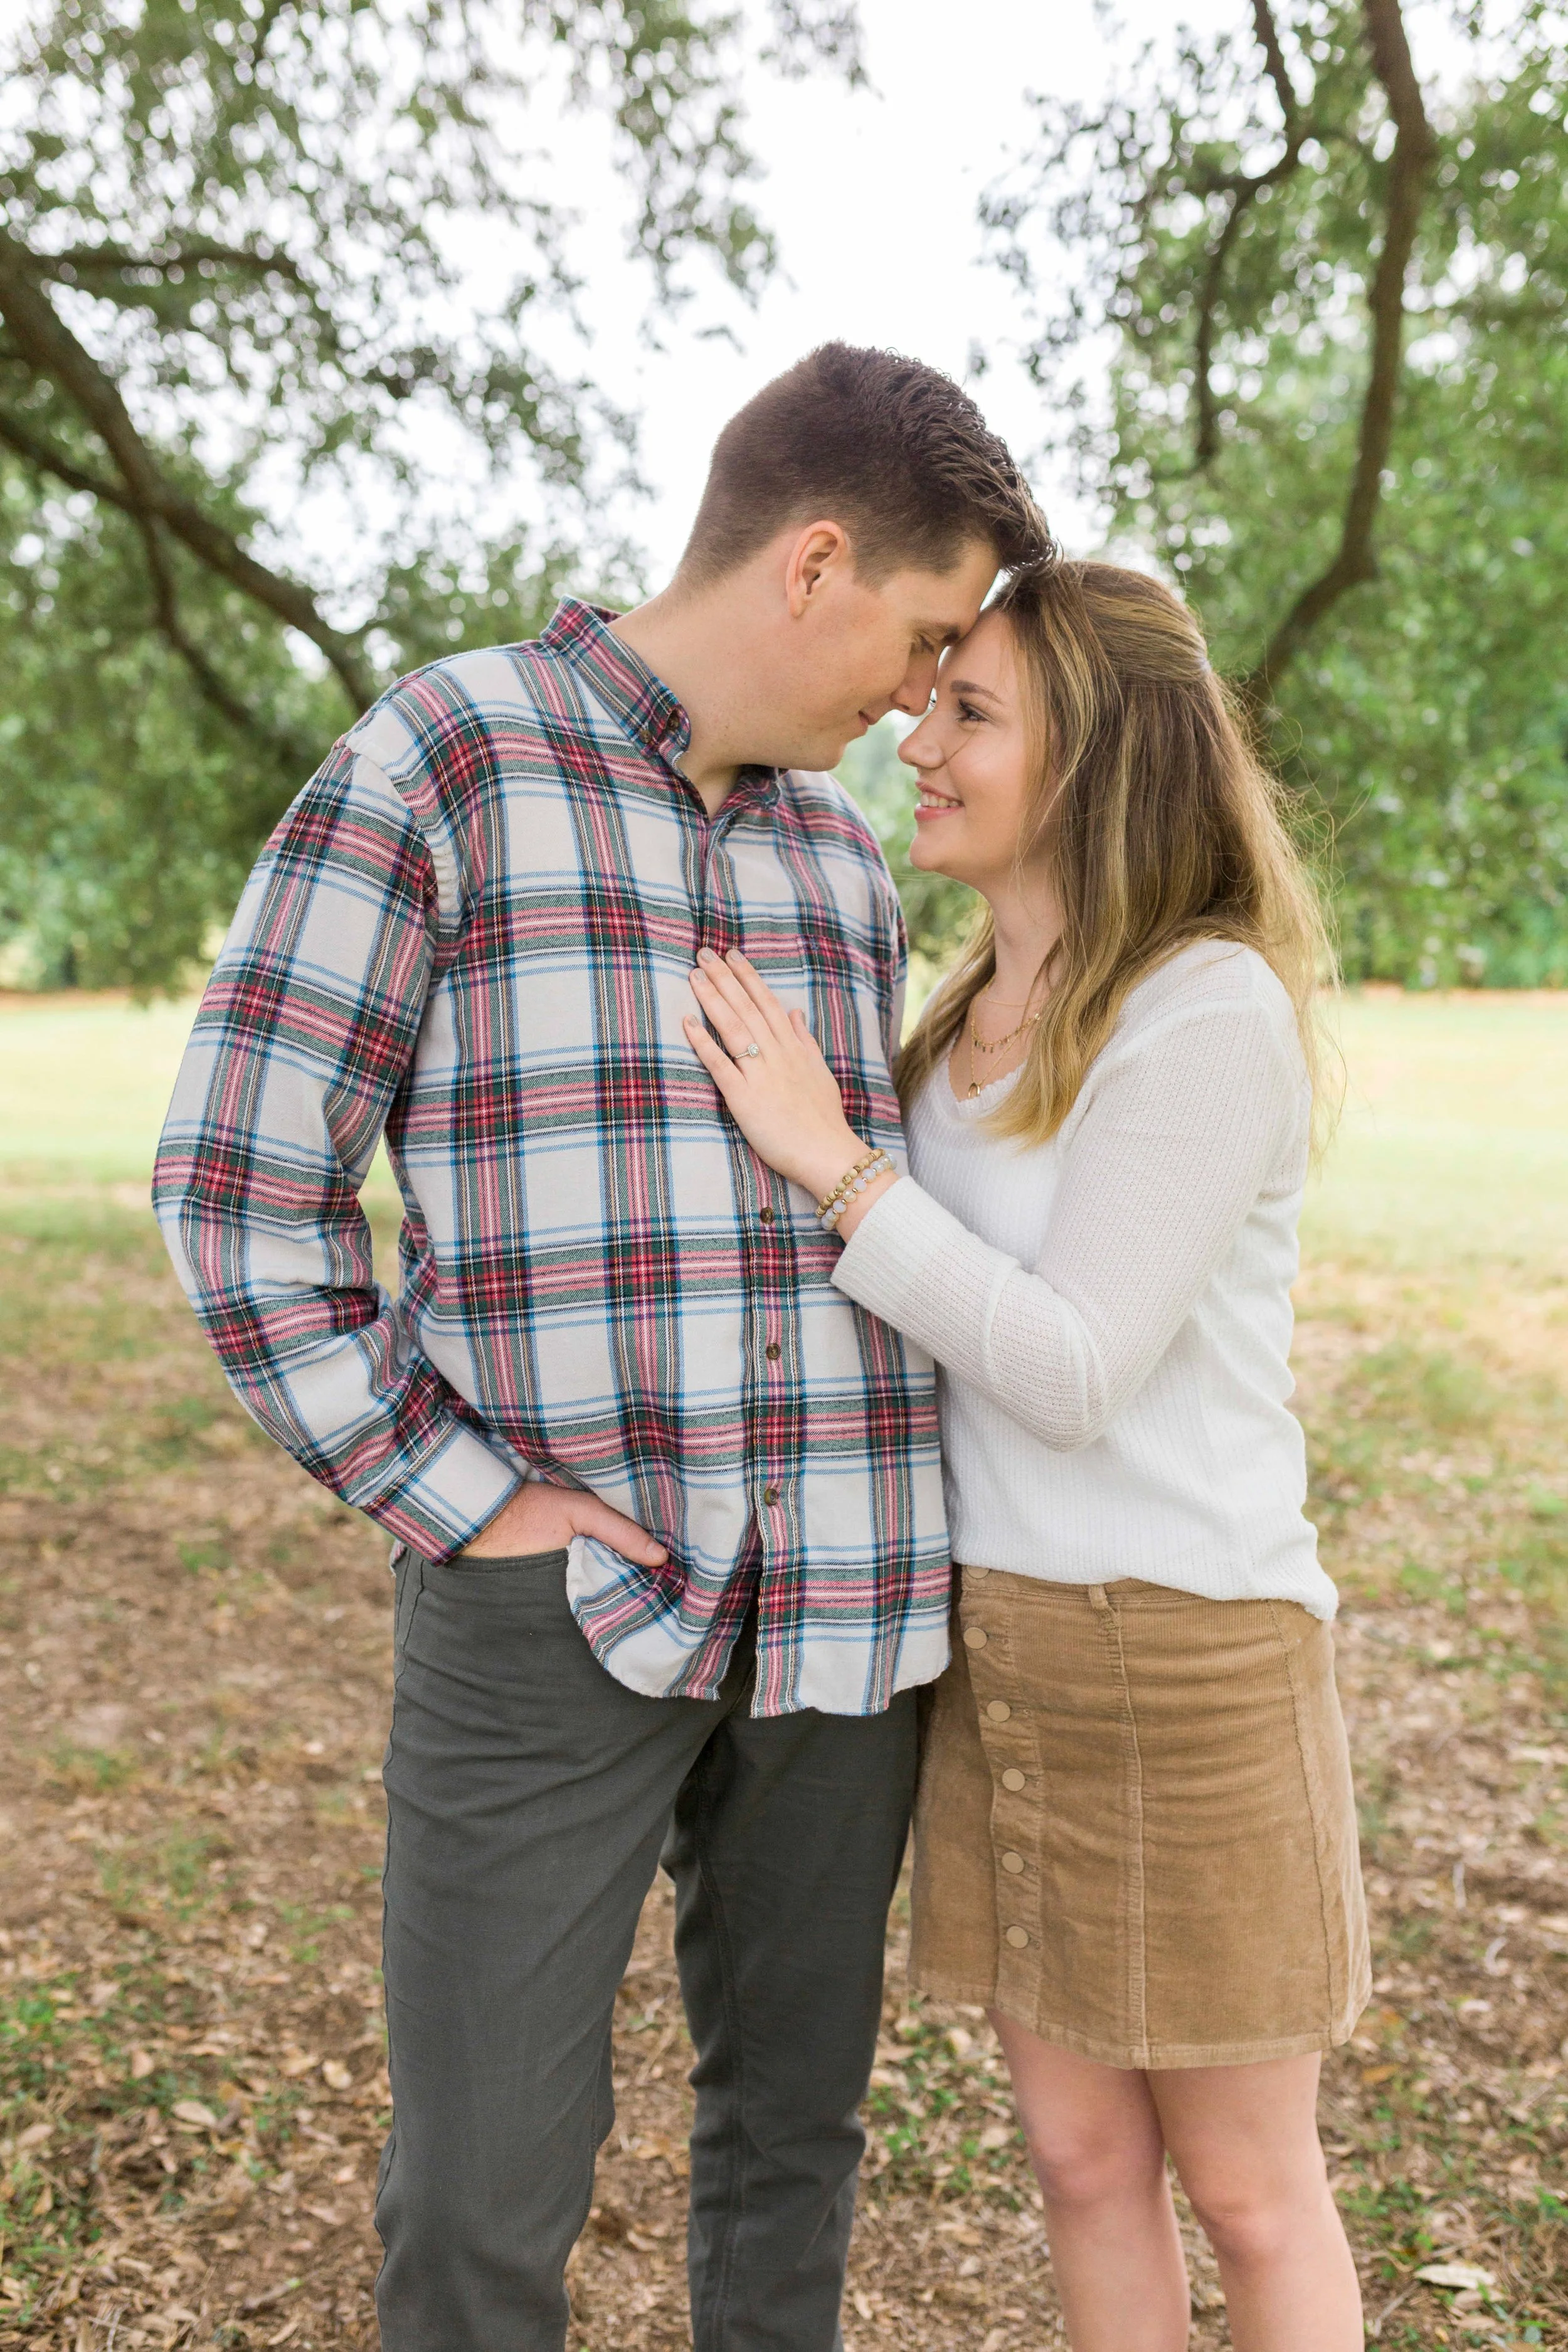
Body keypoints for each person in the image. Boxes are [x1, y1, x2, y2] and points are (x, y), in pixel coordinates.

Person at [152, 343, 1050, 2352]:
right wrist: (466, 1500)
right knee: (481, 2193)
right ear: (810, 562)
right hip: (550, 1606)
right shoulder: (443, 761)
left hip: (841, 1605)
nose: (917, 701)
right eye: (918, 639)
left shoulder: (832, 860)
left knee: (791, 2143)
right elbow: (234, 1185)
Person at [682, 558, 1372, 2352]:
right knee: (1074, 2157)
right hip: (1002, 1644)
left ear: (1099, 761)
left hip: (1193, 1654)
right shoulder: (972, 1005)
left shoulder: (1199, 1011)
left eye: (970, 709)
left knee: (1245, 2185)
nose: (917, 732)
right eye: (932, 696)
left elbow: (1066, 1367)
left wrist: (837, 1166)